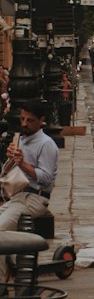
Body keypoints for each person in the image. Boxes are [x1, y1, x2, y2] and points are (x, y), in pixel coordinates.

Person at [0, 99, 58, 232]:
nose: (24, 124)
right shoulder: (21, 140)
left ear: (40, 121)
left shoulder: (46, 144)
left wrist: (22, 163)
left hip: (35, 198)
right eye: (22, 119)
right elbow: (5, 172)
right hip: (17, 196)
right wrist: (10, 160)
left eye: (30, 120)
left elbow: (46, 178)